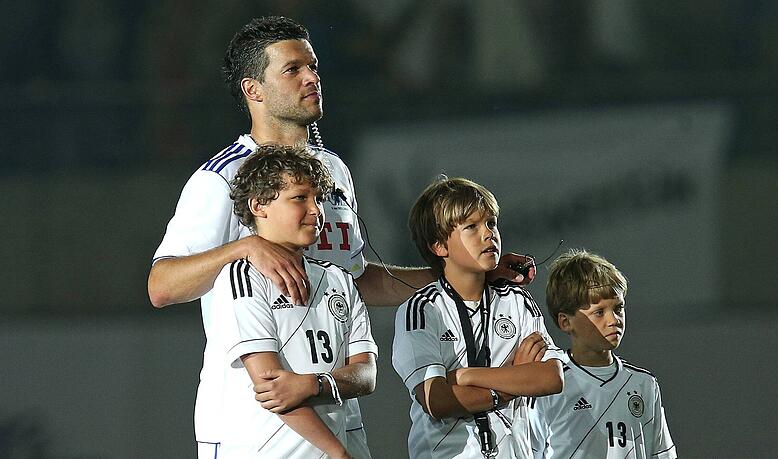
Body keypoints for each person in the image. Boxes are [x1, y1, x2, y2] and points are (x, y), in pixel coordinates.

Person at [147, 16, 531, 458]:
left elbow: (358, 280)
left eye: (313, 66)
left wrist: (463, 274)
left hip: (337, 418)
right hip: (253, 425)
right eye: (292, 70)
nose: (312, 78)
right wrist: (246, 245)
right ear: (253, 90)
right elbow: (161, 286)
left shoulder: (333, 171)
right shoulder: (222, 178)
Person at [214, 144, 376, 457]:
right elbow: (272, 388)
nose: (316, 210)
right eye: (300, 198)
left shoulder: (338, 278)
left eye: (318, 198)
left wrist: (314, 384)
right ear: (260, 206)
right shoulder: (241, 277)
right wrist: (338, 452)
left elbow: (366, 375)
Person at [392, 176, 564, 458]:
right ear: (439, 246)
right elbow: (436, 399)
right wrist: (509, 386)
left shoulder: (516, 301)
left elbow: (550, 377)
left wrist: (465, 376)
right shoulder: (422, 309)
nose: (489, 234)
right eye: (471, 227)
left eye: (491, 223)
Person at [528, 249, 676, 458]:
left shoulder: (644, 384)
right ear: (565, 321)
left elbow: (661, 453)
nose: (613, 319)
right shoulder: (548, 385)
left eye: (618, 308)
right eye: (599, 312)